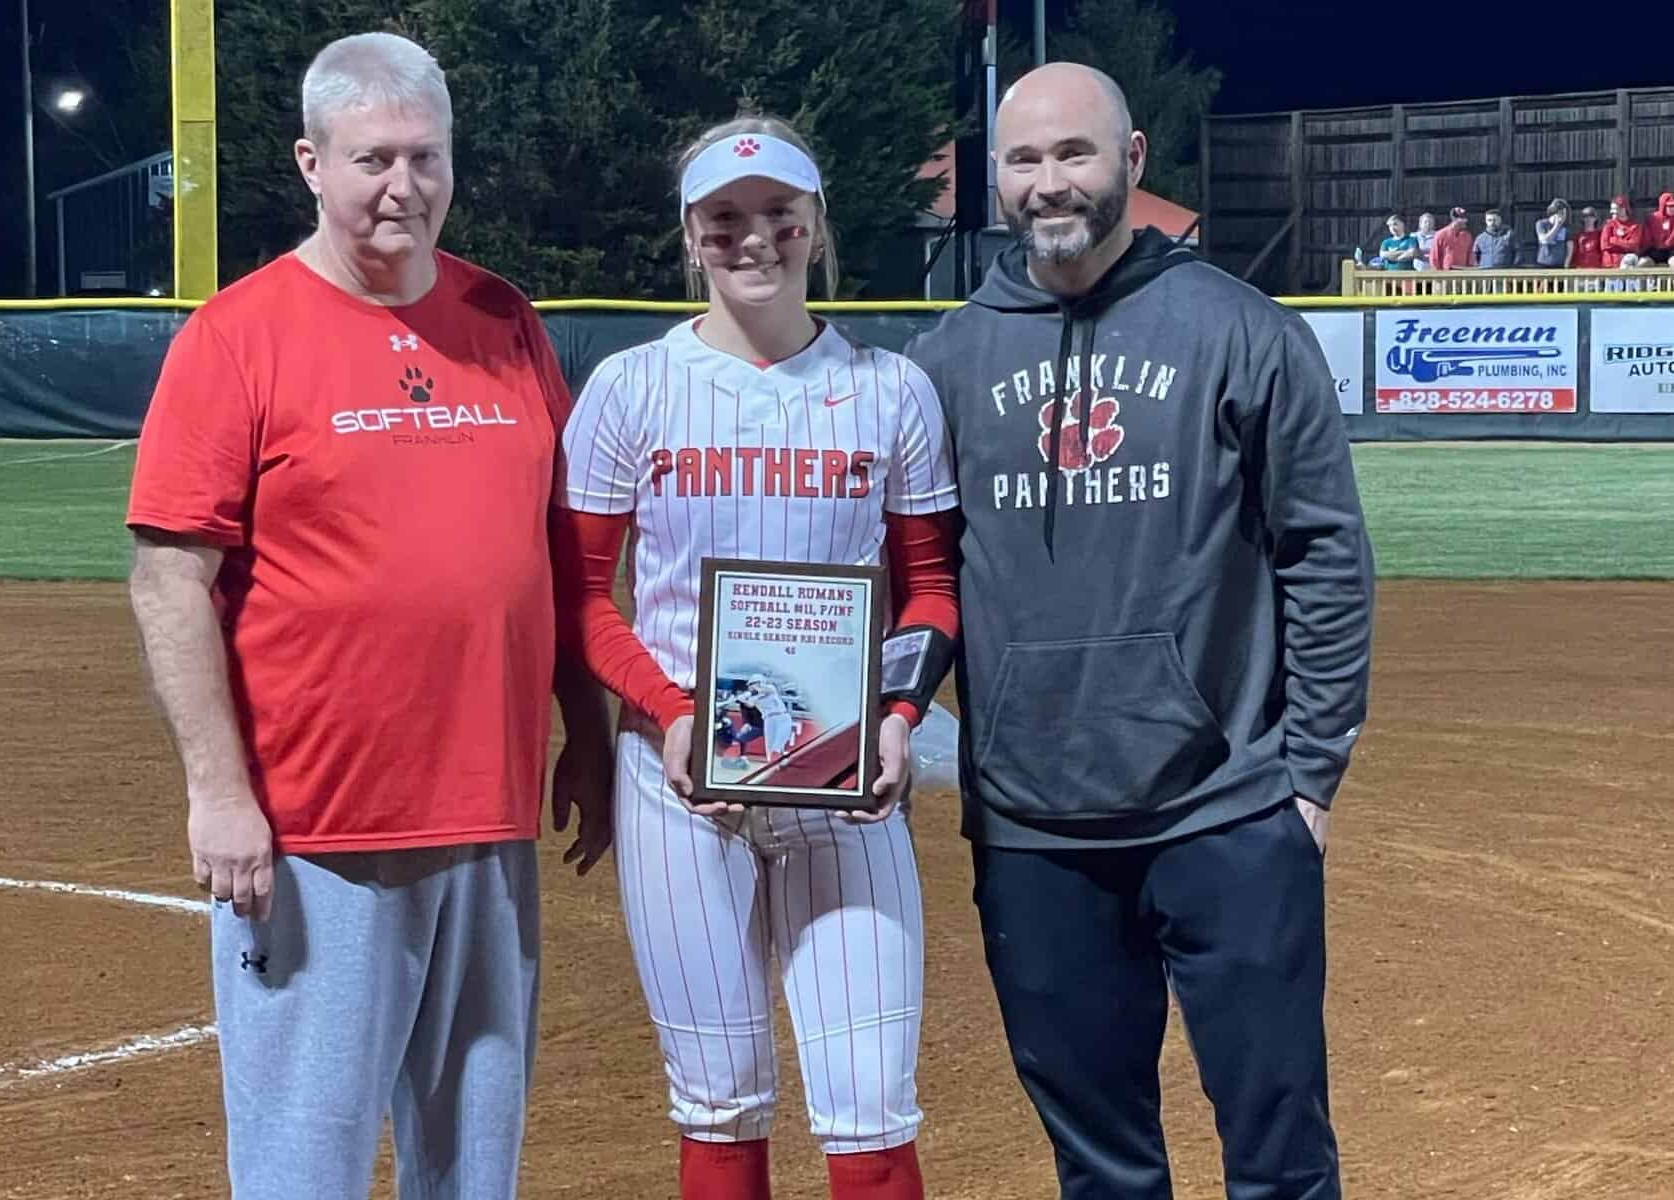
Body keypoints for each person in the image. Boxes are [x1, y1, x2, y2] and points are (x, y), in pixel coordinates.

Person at [124, 32, 613, 1200]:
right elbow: (167, 579)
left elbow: (553, 554)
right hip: (317, 833)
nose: (404, 187)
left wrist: (586, 737)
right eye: (373, 159)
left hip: (487, 821)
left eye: (427, 158)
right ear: (311, 160)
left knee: (472, 1164)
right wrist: (218, 790)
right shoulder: (236, 334)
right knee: (306, 1159)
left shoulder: (504, 321)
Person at [906, 63, 1373, 1200]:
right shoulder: (948, 364)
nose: (1048, 182)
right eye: (1024, 159)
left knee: (1280, 1157)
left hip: (1229, 815)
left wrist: (1305, 781)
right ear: (996, 181)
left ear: (1134, 160)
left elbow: (1325, 555)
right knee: (1102, 1168)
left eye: (1075, 153)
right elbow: (911, 579)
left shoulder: (1241, 331)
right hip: (1034, 833)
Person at [551, 114, 961, 1200]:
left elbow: (932, 590)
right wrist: (672, 710)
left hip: (845, 783)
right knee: (721, 1099)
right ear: (691, 234)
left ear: (815, 227)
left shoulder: (890, 390)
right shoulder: (631, 388)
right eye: (725, 218)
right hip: (680, 779)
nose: (754, 238)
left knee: (872, 1106)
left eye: (780, 215)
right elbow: (585, 599)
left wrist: (899, 721)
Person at [1601, 195, 1644, 267]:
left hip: (1628, 264)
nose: (1611, 211)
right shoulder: (1608, 224)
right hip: (1610, 263)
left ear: (1623, 209)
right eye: (1611, 209)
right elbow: (1604, 245)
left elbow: (1633, 245)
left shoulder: (1635, 226)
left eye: (1615, 209)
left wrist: (1613, 240)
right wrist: (1624, 245)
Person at [1535, 199, 1571, 268]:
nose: (1563, 217)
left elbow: (1569, 247)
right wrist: (1557, 225)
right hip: (1543, 263)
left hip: (1559, 265)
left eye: (1564, 214)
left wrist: (1566, 263)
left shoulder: (1566, 228)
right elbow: (1544, 240)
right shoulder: (1541, 223)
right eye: (1561, 214)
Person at [1571, 205, 1605, 270]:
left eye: (1591, 216)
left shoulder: (1600, 234)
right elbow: (1574, 252)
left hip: (1596, 268)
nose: (1588, 219)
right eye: (1585, 216)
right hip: (1580, 268)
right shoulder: (1577, 236)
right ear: (1582, 219)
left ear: (1595, 218)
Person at [1644, 191, 1674, 264]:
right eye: (1669, 206)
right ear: (1663, 205)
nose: (1672, 208)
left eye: (1673, 206)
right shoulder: (1653, 218)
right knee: (1643, 263)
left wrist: (1667, 243)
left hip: (1672, 251)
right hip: (1655, 250)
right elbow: (1647, 237)